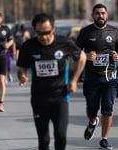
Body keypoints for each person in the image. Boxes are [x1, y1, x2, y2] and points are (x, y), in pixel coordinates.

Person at [16, 13, 86, 150]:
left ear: (53, 28)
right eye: (39, 33)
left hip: (60, 97)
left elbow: (82, 57)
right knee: (44, 140)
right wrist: (22, 76)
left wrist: (74, 80)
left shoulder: (64, 43)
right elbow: (21, 68)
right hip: (39, 99)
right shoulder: (28, 46)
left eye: (47, 32)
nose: (43, 37)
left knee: (60, 136)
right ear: (34, 31)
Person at [76, 3, 118, 149]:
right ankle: (92, 122)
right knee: (91, 109)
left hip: (110, 77)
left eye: (103, 13)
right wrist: (86, 56)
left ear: (107, 15)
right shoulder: (85, 32)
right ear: (93, 15)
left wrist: (117, 55)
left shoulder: (114, 32)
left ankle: (104, 139)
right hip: (91, 78)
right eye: (97, 13)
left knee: (107, 108)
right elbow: (75, 52)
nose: (100, 16)